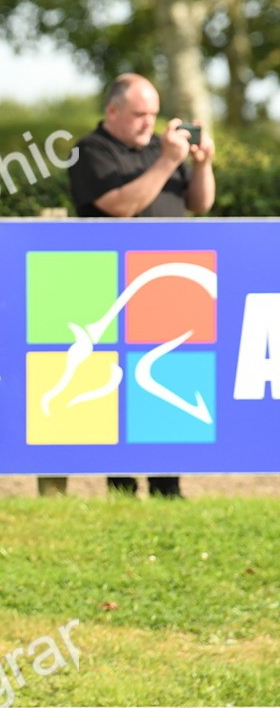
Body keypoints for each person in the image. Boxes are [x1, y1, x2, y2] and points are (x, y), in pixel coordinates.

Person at [68, 72, 216, 499]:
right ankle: (122, 487)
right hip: (111, 288)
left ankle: (169, 485)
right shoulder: (90, 151)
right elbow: (118, 207)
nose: (148, 123)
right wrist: (168, 161)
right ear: (113, 111)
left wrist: (200, 164)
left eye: (153, 114)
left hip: (167, 282)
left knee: (166, 381)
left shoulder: (161, 148)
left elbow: (199, 203)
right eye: (139, 114)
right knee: (115, 386)